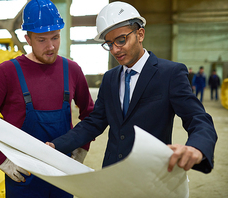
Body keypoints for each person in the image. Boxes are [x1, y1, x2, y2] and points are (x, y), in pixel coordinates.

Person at [47, 1, 217, 175]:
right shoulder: (110, 78)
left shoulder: (169, 74)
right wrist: (56, 145)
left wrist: (197, 147)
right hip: (112, 172)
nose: (115, 49)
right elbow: (94, 122)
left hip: (152, 174)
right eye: (109, 44)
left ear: (140, 34)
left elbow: (197, 117)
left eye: (121, 40)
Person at [0, 0, 94, 197]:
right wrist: (0, 159)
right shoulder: (8, 72)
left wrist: (83, 147)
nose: (50, 46)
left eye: (55, 37)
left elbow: (90, 115)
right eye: (42, 40)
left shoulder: (72, 70)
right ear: (28, 39)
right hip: (24, 177)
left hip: (63, 175)